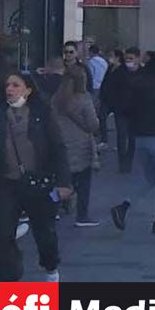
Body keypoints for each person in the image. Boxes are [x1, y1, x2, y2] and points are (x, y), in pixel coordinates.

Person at [0, 72, 72, 283]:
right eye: (8, 85)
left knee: (45, 235)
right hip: (7, 183)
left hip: (38, 182)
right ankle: (11, 277)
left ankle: (51, 268)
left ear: (28, 90)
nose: (10, 89)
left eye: (16, 85)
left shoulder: (41, 113)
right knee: (2, 233)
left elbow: (58, 147)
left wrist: (63, 182)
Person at [111, 55, 155, 234]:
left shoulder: (135, 86)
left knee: (150, 178)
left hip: (138, 137)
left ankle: (124, 206)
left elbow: (125, 109)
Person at [51, 67, 100, 227]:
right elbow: (93, 124)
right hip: (81, 146)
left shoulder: (56, 98)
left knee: (61, 180)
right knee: (84, 182)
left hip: (60, 144)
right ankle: (82, 216)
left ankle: (52, 210)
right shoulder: (83, 98)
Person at [101, 48, 137, 172]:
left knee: (131, 136)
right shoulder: (114, 70)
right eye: (127, 58)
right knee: (121, 135)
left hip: (131, 109)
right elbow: (108, 87)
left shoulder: (133, 72)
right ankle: (122, 161)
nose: (128, 61)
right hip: (119, 108)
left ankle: (128, 160)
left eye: (131, 59)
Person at [86, 45, 109, 152]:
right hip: (103, 87)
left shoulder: (91, 62)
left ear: (91, 52)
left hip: (94, 87)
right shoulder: (104, 62)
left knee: (94, 109)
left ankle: (95, 130)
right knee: (101, 110)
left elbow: (90, 75)